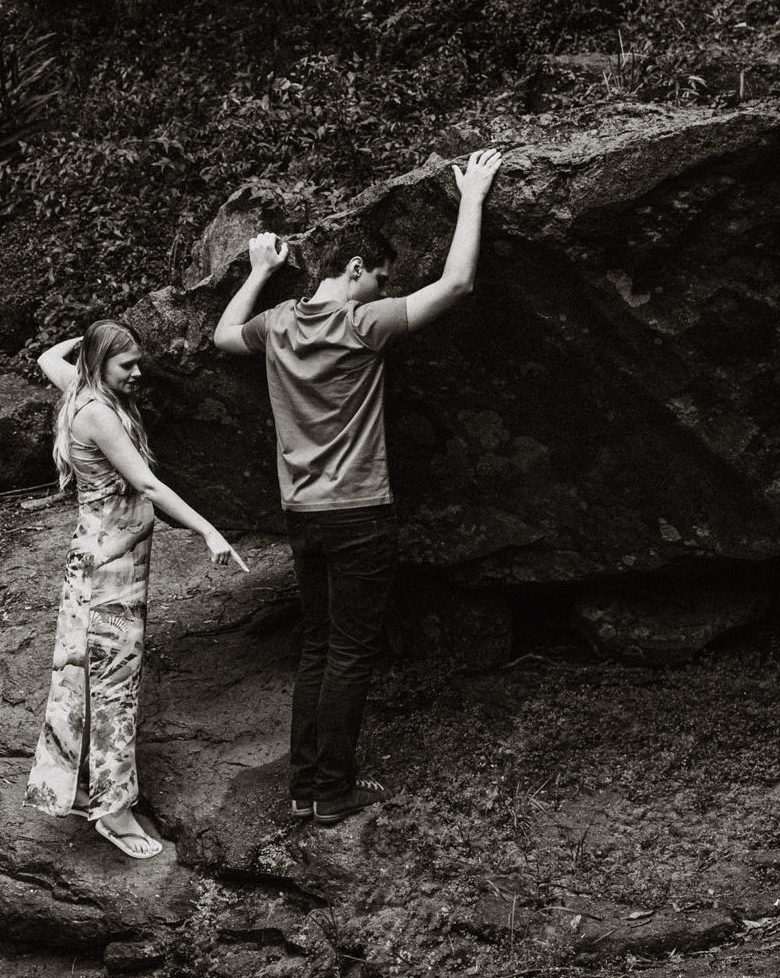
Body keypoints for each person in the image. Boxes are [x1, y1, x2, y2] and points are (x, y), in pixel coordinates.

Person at [212, 149, 504, 826]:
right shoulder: (362, 324)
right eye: (377, 277)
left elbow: (224, 334)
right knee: (349, 653)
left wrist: (257, 273)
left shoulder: (279, 324)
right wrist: (473, 199)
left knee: (317, 647)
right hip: (359, 513)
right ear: (353, 269)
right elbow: (457, 285)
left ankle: (305, 787)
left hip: (303, 514)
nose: (380, 288)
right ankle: (333, 790)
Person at [25, 318, 250, 859]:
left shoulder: (79, 387)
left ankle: (73, 787)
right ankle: (114, 809)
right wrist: (208, 530)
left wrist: (93, 343)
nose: (138, 372)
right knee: (112, 685)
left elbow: (47, 359)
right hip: (110, 571)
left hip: (96, 559)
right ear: (101, 365)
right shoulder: (98, 412)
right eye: (126, 363)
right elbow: (147, 484)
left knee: (78, 675)